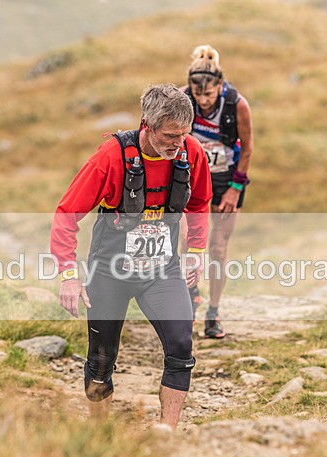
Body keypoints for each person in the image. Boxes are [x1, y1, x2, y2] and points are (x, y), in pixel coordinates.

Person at [50, 83, 212, 429]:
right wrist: (68, 275)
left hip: (162, 271)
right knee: (101, 357)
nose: (178, 144)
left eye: (184, 135)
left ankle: (168, 430)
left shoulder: (190, 153)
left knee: (182, 347)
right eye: (170, 135)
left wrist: (196, 251)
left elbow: (199, 203)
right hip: (110, 273)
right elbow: (66, 214)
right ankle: (100, 433)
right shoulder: (110, 157)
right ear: (147, 126)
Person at [182, 44, 254, 339]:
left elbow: (247, 149)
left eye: (208, 94)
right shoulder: (183, 100)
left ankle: (214, 311)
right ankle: (190, 300)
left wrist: (235, 190)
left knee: (219, 248)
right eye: (198, 95)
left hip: (227, 178)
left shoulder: (237, 104)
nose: (203, 101)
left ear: (219, 86)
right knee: (186, 241)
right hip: (192, 179)